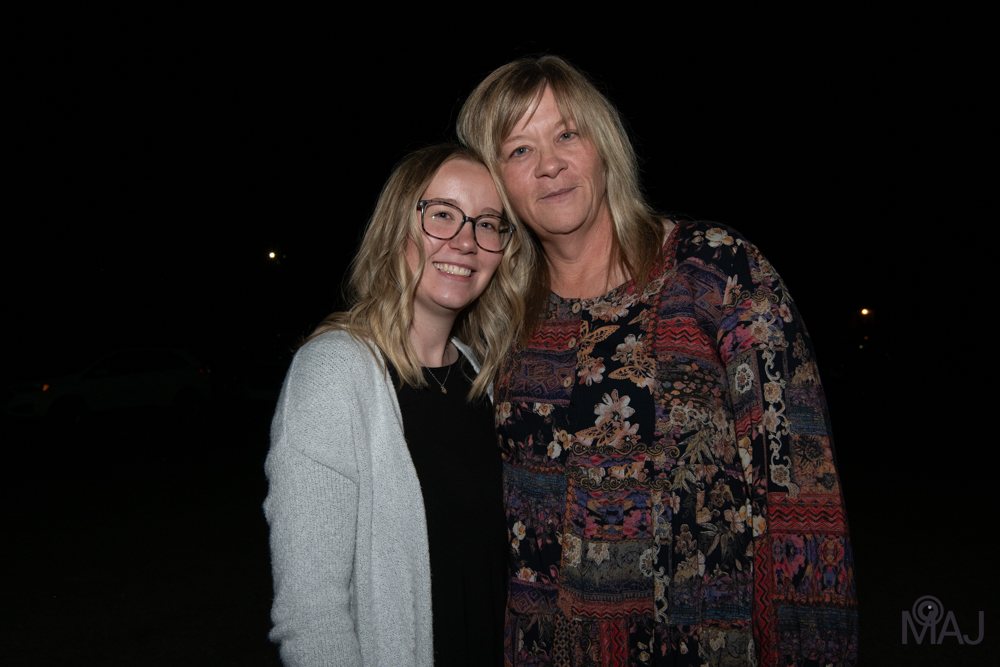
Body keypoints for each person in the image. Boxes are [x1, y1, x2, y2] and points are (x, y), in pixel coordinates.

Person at [457, 56, 858, 666]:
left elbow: (799, 491)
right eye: (519, 150)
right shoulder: (497, 319)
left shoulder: (714, 270)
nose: (549, 164)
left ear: (603, 144)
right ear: (497, 182)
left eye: (567, 134)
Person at [263, 143, 523, 667]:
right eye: (442, 214)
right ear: (396, 225)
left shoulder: (483, 374)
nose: (466, 241)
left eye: (487, 223)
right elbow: (312, 616)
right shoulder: (334, 373)